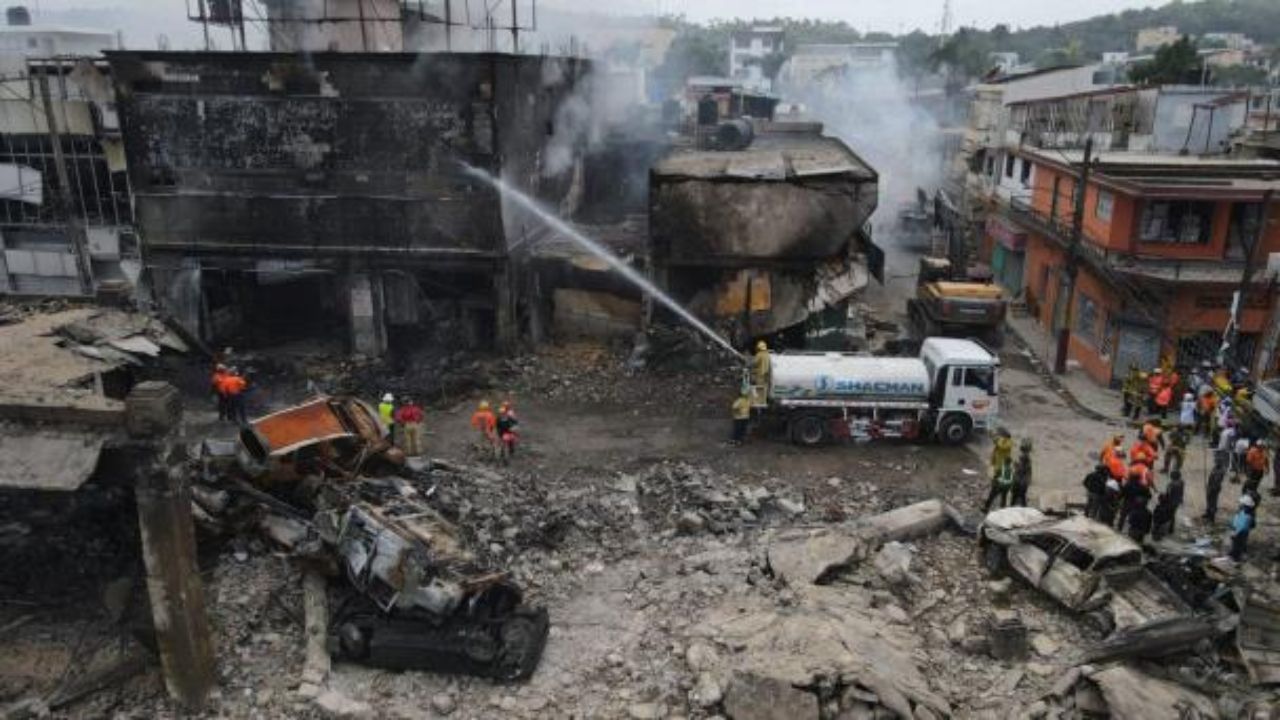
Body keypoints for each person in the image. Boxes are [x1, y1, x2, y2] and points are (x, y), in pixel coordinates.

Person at [1152, 470, 1184, 540]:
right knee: (1173, 514)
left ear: (1172, 477)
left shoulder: (1171, 485)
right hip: (1177, 501)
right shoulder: (1181, 482)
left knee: (1169, 514)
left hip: (1171, 502)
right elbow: (1181, 492)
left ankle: (1168, 528)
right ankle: (1171, 528)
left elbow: (1168, 494)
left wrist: (1163, 498)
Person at [1230, 495, 1258, 562]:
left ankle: (1236, 557)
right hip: (1239, 531)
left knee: (1238, 544)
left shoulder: (1247, 516)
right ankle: (1234, 553)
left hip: (1241, 533)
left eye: (1241, 504)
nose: (1239, 505)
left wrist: (1235, 532)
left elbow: (1242, 526)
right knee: (1235, 544)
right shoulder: (1243, 512)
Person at [1203, 457, 1226, 524]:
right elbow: (1211, 477)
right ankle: (1208, 513)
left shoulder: (1220, 470)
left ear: (1220, 463)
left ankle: (1211, 518)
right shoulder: (1215, 467)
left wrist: (1211, 488)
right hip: (1210, 486)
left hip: (1214, 488)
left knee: (1212, 502)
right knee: (1208, 499)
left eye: (1217, 462)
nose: (1216, 463)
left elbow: (1216, 480)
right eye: (1216, 462)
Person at [1011, 439, 1033, 507]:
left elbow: (1021, 470)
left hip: (1020, 481)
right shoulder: (1026, 459)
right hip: (1021, 481)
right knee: (1021, 497)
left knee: (1017, 497)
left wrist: (1016, 466)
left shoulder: (1024, 458)